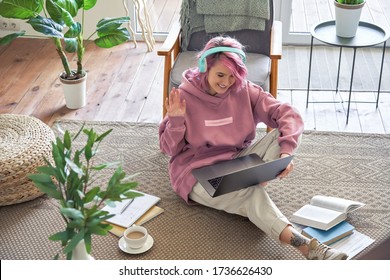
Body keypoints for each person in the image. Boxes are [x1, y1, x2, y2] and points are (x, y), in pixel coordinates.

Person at [159, 36, 348, 260]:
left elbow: (288, 114)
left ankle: (247, 186)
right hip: (196, 173)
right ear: (204, 67)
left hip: (238, 159)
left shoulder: (245, 90)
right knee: (251, 195)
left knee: (283, 134)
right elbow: (168, 149)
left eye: (232, 76)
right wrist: (176, 121)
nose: (226, 82)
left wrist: (287, 151)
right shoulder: (183, 97)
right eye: (220, 75)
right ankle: (308, 247)